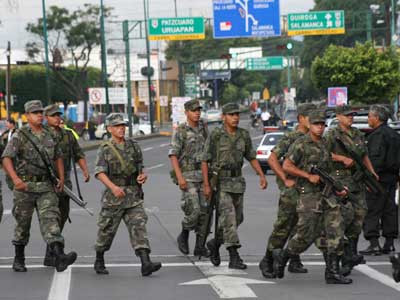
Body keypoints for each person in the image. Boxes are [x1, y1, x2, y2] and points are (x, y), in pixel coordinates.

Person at [273, 110, 352, 284]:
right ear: (309, 125)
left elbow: (329, 169)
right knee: (305, 234)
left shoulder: (325, 143)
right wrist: (307, 176)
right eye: (316, 124)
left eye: (322, 125)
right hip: (308, 194)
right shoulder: (301, 144)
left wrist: (339, 187)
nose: (320, 127)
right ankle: (284, 256)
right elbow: (286, 165)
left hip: (327, 194)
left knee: (336, 231)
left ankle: (332, 272)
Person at [2, 100, 77, 273]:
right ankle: (19, 258)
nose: (39, 115)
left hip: (45, 186)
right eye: (35, 113)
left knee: (51, 219)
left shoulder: (49, 134)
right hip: (25, 187)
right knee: (23, 224)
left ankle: (59, 257)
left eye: (41, 112)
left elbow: (58, 156)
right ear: (27, 116)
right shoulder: (20, 135)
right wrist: (15, 179)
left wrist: (61, 178)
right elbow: (6, 158)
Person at [93, 113, 161, 276]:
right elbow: (99, 172)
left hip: (133, 196)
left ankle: (146, 262)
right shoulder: (105, 148)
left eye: (123, 125)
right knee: (106, 231)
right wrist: (113, 187)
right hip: (114, 197)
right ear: (109, 129)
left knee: (139, 226)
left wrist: (142, 176)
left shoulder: (134, 145)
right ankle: (99, 258)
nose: (121, 129)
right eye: (117, 126)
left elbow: (139, 167)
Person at [201, 102, 268, 269]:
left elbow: (251, 156)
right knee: (229, 218)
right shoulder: (216, 135)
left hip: (238, 182)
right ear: (224, 117)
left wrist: (261, 175)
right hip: (221, 183)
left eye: (237, 114)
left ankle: (215, 243)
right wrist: (207, 185)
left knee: (237, 219)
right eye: (232, 114)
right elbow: (204, 159)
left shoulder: (243, 135)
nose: (235, 117)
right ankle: (233, 256)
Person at [259, 103, 315, 278]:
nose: (314, 121)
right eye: (310, 117)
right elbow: (272, 158)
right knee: (283, 227)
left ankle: (294, 259)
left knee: (302, 227)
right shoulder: (292, 137)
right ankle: (267, 260)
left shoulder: (315, 138)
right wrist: (285, 178)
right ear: (301, 118)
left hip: (309, 190)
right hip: (291, 192)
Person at [325, 105, 377, 273]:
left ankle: (351, 254)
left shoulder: (357, 133)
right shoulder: (332, 134)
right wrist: (340, 158)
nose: (351, 118)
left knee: (360, 215)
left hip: (357, 181)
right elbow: (323, 153)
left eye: (352, 115)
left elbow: (364, 155)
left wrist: (371, 172)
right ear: (338, 117)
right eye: (347, 115)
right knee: (343, 218)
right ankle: (342, 256)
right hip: (340, 181)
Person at [42, 104, 90, 266]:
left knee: (62, 215)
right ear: (46, 118)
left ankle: (50, 253)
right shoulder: (40, 135)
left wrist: (85, 171)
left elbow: (78, 154)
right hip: (46, 184)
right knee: (51, 217)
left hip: (65, 183)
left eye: (58, 115)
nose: (57, 117)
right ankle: (58, 253)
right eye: (53, 115)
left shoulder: (68, 135)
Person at [169, 99, 210, 257]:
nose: (197, 112)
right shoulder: (181, 130)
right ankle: (184, 233)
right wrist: (180, 178)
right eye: (194, 110)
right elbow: (173, 155)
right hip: (188, 175)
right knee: (195, 210)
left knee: (205, 212)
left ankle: (200, 246)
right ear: (186, 112)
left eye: (199, 110)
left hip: (204, 174)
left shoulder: (203, 128)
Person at [361, 105, 399, 255]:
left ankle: (374, 243)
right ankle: (389, 243)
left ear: (377, 118)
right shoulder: (394, 134)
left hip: (378, 179)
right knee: (390, 211)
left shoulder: (377, 136)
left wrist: (369, 178)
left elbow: (376, 160)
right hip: (392, 178)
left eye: (370, 116)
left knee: (372, 210)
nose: (368, 119)